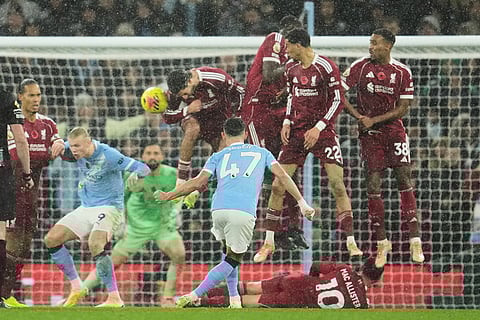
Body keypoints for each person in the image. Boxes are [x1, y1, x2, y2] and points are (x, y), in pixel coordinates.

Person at [156, 117, 314, 308]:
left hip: (218, 210)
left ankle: (234, 300)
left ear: (223, 135)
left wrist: (170, 194)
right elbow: (282, 176)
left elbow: (198, 182)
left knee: (227, 253)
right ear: (246, 134)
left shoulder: (218, 156)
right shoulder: (262, 152)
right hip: (242, 211)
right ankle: (194, 294)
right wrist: (302, 202)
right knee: (233, 259)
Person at [254, 28, 362, 263]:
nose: (286, 51)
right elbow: (292, 95)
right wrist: (286, 120)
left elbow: (338, 100)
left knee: (337, 185)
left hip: (322, 133)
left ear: (299, 45)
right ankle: (268, 243)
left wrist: (319, 127)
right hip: (296, 132)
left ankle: (351, 242)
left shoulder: (325, 66)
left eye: (288, 47)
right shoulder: (292, 69)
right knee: (277, 186)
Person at [341, 28, 424, 268]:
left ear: (388, 46)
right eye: (370, 42)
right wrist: (359, 116)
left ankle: (414, 239)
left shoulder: (402, 72)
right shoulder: (360, 67)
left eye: (375, 43)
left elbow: (403, 107)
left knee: (403, 178)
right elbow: (339, 93)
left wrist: (374, 119)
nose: (371, 46)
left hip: (394, 132)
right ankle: (381, 243)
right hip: (370, 135)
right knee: (373, 184)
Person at [43, 127, 151, 307]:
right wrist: (58, 142)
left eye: (77, 146)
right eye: (72, 146)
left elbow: (144, 168)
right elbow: (61, 145)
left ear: (89, 142)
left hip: (110, 208)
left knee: (95, 243)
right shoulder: (73, 148)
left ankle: (114, 298)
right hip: (86, 208)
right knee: (51, 239)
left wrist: (135, 173)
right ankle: (77, 287)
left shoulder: (109, 155)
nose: (74, 150)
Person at [78, 143, 185, 307]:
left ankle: (168, 298)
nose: (152, 156)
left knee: (179, 255)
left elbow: (181, 193)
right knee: (113, 262)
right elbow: (120, 199)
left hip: (162, 225)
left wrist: (176, 211)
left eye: (156, 153)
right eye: (148, 153)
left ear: (162, 157)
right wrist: (121, 224)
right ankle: (79, 292)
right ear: (142, 157)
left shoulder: (171, 174)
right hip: (136, 228)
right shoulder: (132, 175)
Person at [241, 15, 307, 250]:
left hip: (277, 112)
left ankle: (292, 227)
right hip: (257, 110)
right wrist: (292, 65)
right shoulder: (275, 39)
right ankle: (271, 231)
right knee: (267, 169)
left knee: (287, 170)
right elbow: (269, 74)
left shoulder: (293, 59)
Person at [1, 79, 65, 308]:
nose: (36, 100)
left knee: (23, 247)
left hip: (33, 194)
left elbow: (60, 145)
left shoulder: (47, 124)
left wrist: (62, 145)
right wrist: (48, 155)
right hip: (11, 189)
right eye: (31, 95)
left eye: (38, 95)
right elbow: (16, 158)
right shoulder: (12, 124)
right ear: (20, 97)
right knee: (9, 244)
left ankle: (6, 295)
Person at [164, 66, 245, 207]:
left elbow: (241, 93)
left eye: (185, 94)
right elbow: (167, 117)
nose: (184, 98)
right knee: (192, 128)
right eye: (181, 96)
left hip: (219, 121)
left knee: (223, 154)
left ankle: (197, 191)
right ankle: (180, 182)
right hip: (195, 119)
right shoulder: (174, 92)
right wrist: (187, 110)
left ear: (190, 81)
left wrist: (236, 118)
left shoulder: (215, 78)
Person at [198, 257, 384, 308]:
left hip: (296, 281)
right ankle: (202, 303)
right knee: (249, 301)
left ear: (363, 266)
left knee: (252, 286)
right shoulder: (361, 304)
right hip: (298, 300)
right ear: (376, 280)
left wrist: (312, 279)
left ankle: (205, 292)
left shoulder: (345, 269)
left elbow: (317, 264)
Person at [0, 90, 33, 309]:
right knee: (0, 231)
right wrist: (27, 174)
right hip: (1, 170)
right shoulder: (4, 98)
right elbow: (20, 140)